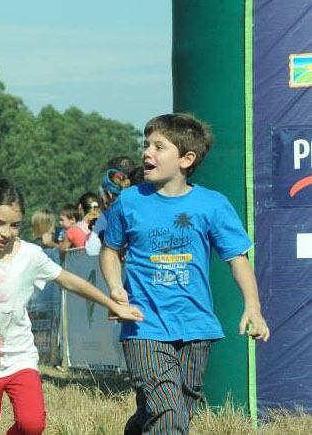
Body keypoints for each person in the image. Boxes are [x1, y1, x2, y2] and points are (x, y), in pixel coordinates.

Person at [0, 179, 144, 435]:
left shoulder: (30, 255)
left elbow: (69, 280)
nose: (6, 233)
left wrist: (112, 304)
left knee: (32, 424)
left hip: (20, 359)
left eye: (15, 225)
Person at [99, 113, 270, 434]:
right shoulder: (129, 201)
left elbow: (237, 257)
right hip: (143, 326)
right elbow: (110, 250)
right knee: (168, 412)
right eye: (146, 144)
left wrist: (253, 306)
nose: (147, 152)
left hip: (197, 327)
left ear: (186, 159)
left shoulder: (212, 205)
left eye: (158, 147)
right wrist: (113, 287)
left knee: (177, 409)